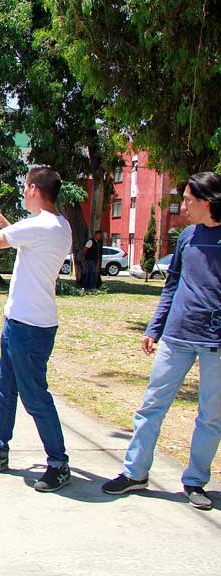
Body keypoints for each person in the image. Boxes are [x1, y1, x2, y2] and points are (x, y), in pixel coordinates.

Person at [102, 172, 221, 509]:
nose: (182, 206)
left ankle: (196, 482)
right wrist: (155, 327)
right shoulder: (186, 237)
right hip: (177, 335)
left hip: (216, 341)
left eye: (188, 201)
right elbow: (172, 284)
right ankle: (134, 473)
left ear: (208, 202)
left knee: (211, 416)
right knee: (151, 406)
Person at [0, 166, 74, 492]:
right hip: (21, 323)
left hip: (30, 327)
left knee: (35, 397)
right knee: (4, 389)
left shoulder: (41, 226)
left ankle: (58, 464)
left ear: (36, 189)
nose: (24, 192)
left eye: (26, 187)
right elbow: (21, 238)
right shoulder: (58, 225)